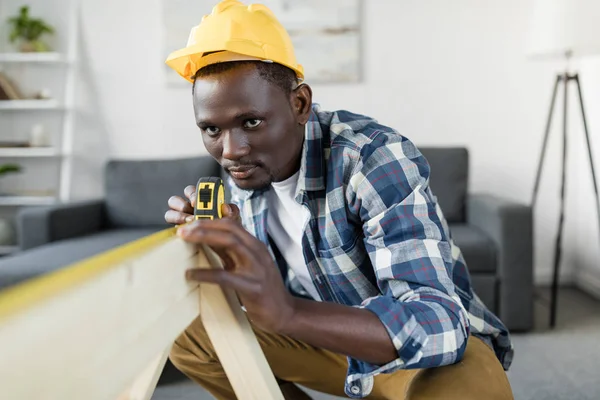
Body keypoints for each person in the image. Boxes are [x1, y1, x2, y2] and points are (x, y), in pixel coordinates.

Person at [163, 1, 514, 399]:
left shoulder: (371, 158)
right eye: (211, 129)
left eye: (251, 122)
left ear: (299, 104)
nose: (230, 150)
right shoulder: (246, 175)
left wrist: (289, 313)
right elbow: (267, 300)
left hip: (431, 355)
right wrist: (230, 257)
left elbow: (440, 325)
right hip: (332, 344)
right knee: (191, 338)